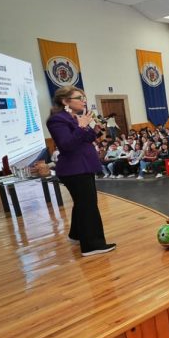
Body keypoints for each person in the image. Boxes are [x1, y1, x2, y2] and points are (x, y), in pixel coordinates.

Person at [46, 87, 115, 256]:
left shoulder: (73, 117)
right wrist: (81, 126)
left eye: (84, 97)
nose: (84, 100)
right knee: (88, 206)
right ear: (65, 101)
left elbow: (84, 139)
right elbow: (67, 144)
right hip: (74, 168)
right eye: (79, 97)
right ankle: (92, 245)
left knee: (82, 203)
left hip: (83, 166)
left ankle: (76, 234)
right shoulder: (57, 120)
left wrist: (94, 131)